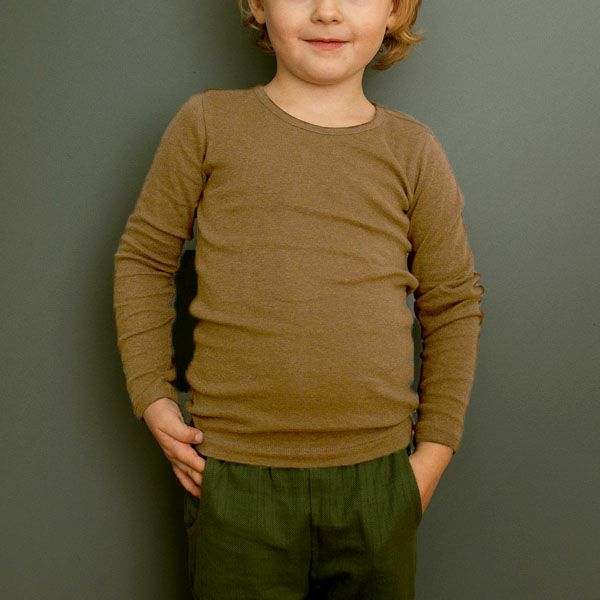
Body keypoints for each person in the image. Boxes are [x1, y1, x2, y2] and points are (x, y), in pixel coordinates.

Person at [112, 0, 485, 598]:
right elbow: (145, 261)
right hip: (232, 475)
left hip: (378, 478)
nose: (327, 11)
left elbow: (453, 303)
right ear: (258, 5)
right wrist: (152, 395)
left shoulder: (412, 149)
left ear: (395, 11)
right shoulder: (208, 123)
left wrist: (434, 453)